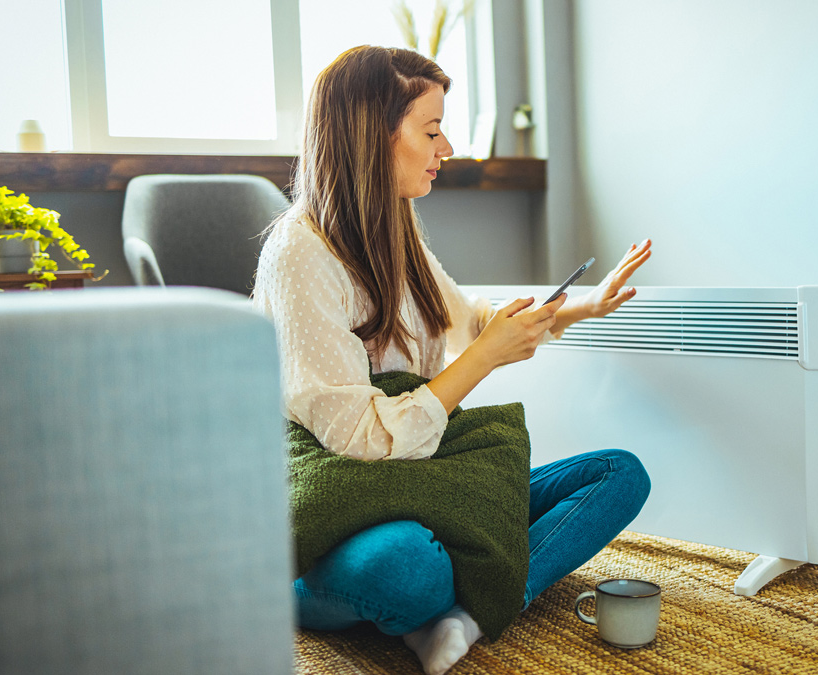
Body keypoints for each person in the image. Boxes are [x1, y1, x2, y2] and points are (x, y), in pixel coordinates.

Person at [252, 45, 653, 675]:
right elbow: (357, 438)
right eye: (432, 130)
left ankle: (467, 616)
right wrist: (484, 362)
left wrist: (584, 307)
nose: (448, 148)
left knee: (619, 474)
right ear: (369, 137)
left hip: (421, 477)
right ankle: (333, 591)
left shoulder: (397, 230)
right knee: (407, 567)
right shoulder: (298, 254)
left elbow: (468, 319)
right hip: (337, 491)